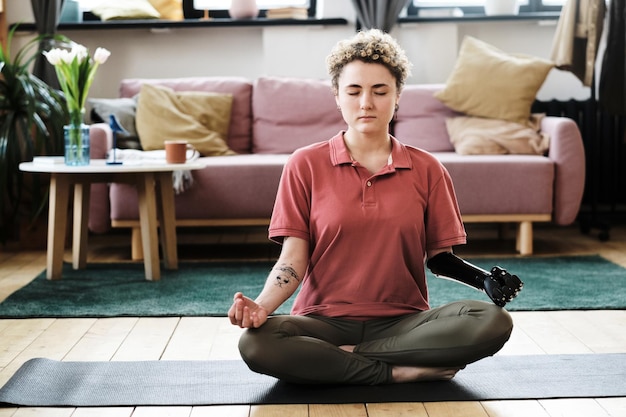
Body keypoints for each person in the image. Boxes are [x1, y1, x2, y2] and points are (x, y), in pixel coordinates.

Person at [228, 29, 522, 385]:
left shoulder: (429, 169)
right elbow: (292, 260)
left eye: (380, 91)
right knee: (257, 344)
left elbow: (440, 258)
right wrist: (262, 307)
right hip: (322, 321)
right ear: (337, 96)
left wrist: (483, 281)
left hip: (405, 322)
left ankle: (343, 361)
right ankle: (396, 371)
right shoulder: (303, 164)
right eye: (354, 91)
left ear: (397, 96)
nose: (366, 103)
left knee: (491, 322)